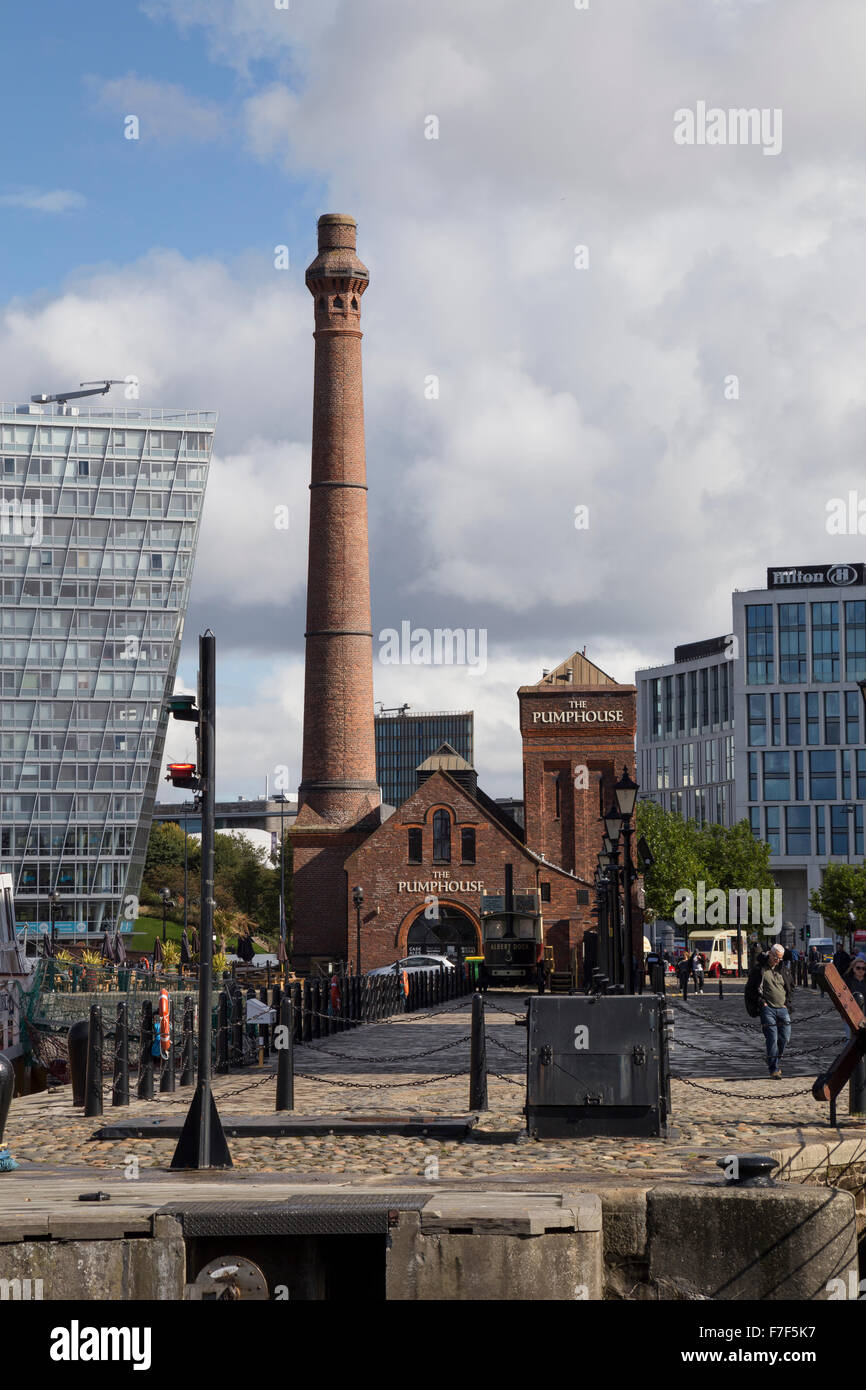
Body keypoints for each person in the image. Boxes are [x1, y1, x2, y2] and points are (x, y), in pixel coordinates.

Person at [745, 943, 794, 1079]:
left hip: (782, 1008)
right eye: (775, 957)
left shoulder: (783, 969)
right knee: (772, 1038)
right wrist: (762, 1004)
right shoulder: (760, 969)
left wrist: (787, 1004)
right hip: (768, 1009)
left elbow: (791, 986)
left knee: (785, 1038)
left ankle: (773, 1059)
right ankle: (774, 1069)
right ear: (770, 954)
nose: (777, 960)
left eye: (780, 958)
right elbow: (750, 989)